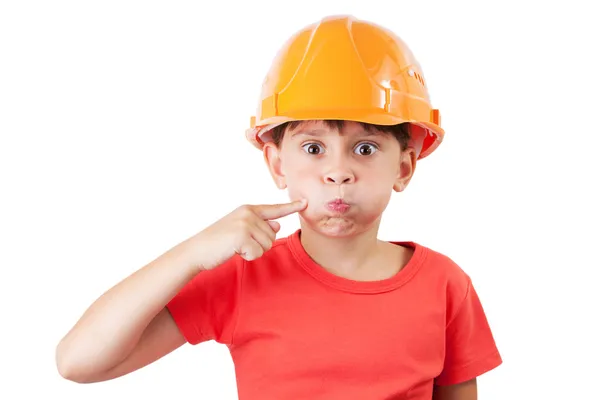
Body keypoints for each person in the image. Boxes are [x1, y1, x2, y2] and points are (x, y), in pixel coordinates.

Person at [56, 14, 502, 399]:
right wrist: (193, 253)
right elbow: (78, 361)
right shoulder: (244, 278)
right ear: (276, 163)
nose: (338, 172)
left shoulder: (446, 286)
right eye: (313, 148)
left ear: (404, 167)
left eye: (365, 149)